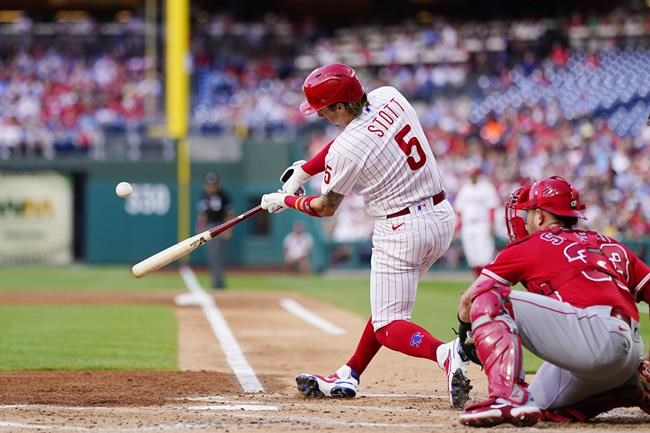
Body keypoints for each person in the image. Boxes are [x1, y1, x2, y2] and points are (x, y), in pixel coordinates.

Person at [259, 63, 472, 408]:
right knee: (386, 304)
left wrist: (286, 200)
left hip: (401, 228)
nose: (322, 116)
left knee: (389, 324)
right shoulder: (389, 95)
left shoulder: (349, 147)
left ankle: (446, 354)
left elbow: (326, 206)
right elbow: (352, 139)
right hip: (440, 217)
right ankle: (350, 372)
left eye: (325, 109)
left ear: (341, 106)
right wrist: (305, 169)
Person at [454, 175, 650, 427]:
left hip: (593, 339)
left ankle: (506, 397)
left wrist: (465, 332)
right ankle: (631, 386)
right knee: (536, 406)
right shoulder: (610, 244)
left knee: (489, 298)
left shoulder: (532, 244)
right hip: (628, 351)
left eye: (529, 213)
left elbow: (470, 301)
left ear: (539, 216)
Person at [454, 166, 500, 276]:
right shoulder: (465, 188)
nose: (472, 176)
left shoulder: (486, 187)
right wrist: (458, 226)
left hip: (482, 223)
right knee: (472, 254)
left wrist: (491, 225)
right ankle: (477, 280)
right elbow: (459, 210)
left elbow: (492, 207)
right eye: (471, 174)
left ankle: (486, 279)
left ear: (479, 174)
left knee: (484, 254)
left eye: (474, 174)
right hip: (467, 225)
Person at [196, 172, 234, 289]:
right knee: (211, 256)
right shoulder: (204, 195)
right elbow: (202, 215)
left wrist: (228, 229)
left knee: (218, 256)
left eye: (213, 184)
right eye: (209, 184)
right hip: (208, 227)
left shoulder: (224, 196)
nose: (211, 187)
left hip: (220, 226)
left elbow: (229, 214)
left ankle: (218, 281)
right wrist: (199, 229)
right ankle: (216, 280)